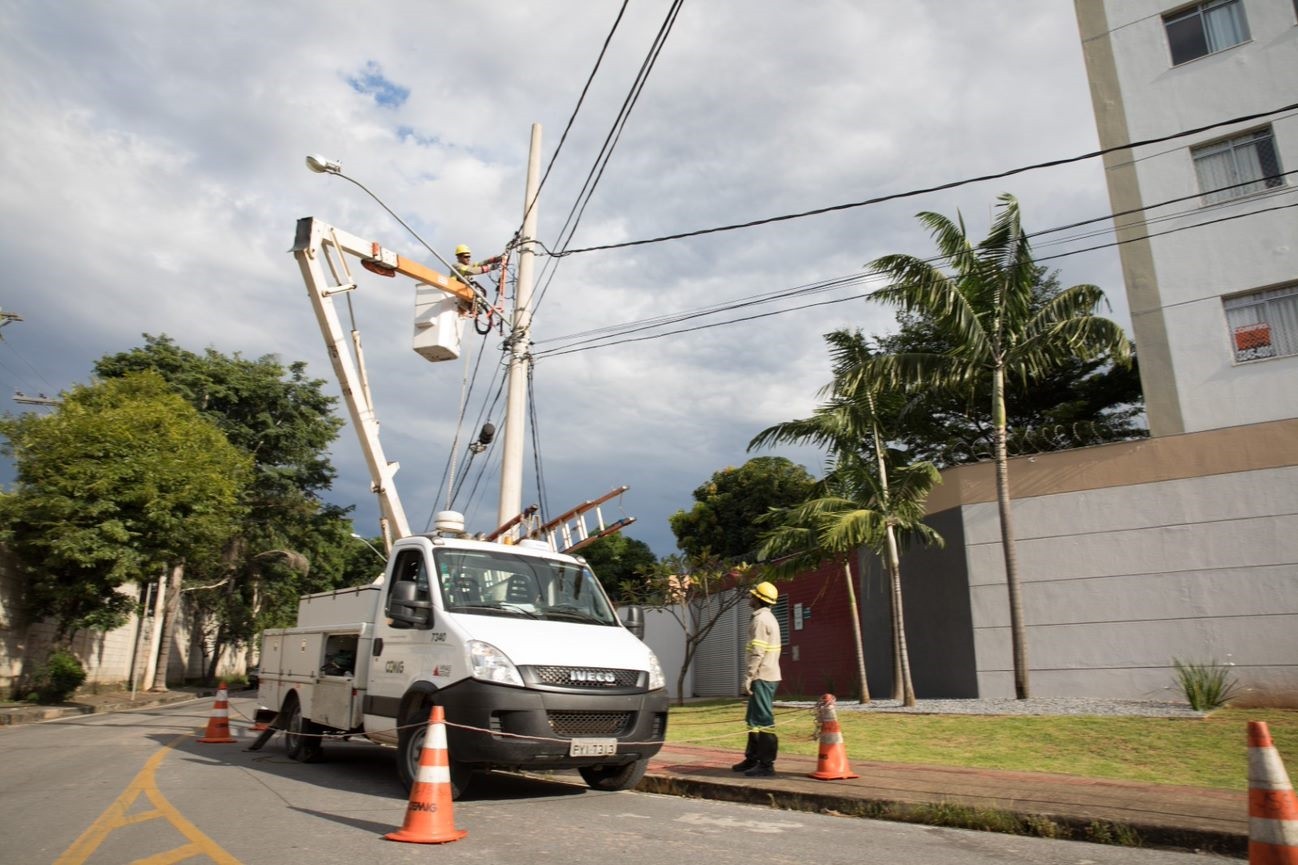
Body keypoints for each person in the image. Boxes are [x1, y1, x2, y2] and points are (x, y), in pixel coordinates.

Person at [732, 580, 782, 777]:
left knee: (763, 719)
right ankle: (752, 758)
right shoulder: (766, 618)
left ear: (759, 599)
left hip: (762, 676)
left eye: (753, 595)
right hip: (765, 675)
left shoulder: (760, 621)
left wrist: (748, 678)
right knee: (753, 720)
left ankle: (766, 764)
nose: (750, 597)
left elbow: (757, 653)